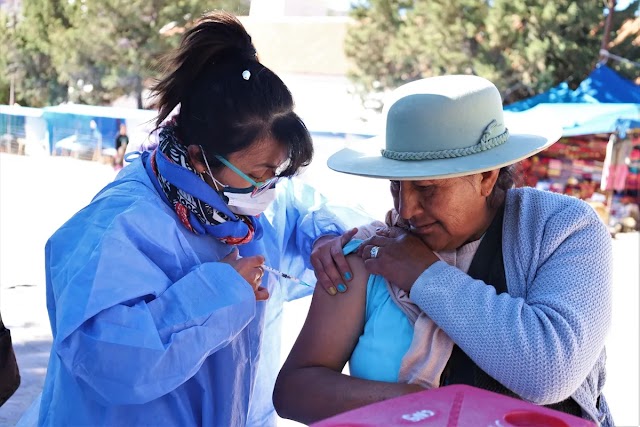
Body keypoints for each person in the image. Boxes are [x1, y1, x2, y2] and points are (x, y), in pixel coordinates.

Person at [37, 11, 370, 426]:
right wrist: (220, 291)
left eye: (277, 173)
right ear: (198, 157)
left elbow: (311, 211)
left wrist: (324, 239)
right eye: (260, 174)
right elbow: (109, 362)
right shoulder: (117, 226)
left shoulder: (246, 207)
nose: (269, 190)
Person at [274, 75, 614, 426]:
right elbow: (293, 391)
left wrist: (425, 275)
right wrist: (421, 406)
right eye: (396, 186)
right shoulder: (372, 255)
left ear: (487, 177)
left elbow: (549, 371)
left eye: (426, 188)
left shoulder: (561, 229)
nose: (406, 210)